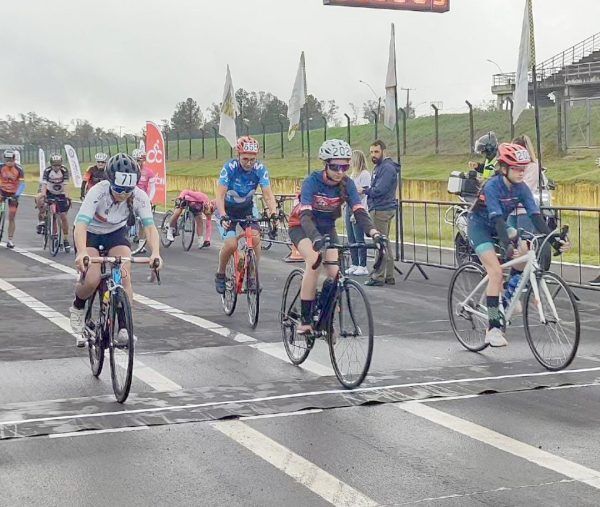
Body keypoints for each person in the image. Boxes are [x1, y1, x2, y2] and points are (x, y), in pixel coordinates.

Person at [467, 143, 569, 348]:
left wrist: (554, 238)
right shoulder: (492, 186)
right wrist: (506, 245)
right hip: (480, 227)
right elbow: (496, 220)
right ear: (504, 168)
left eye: (523, 168)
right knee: (495, 273)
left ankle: (508, 297)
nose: (522, 172)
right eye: (516, 168)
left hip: (501, 226)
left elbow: (536, 216)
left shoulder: (521, 188)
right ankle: (493, 327)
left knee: (525, 252)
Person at [288, 139, 383, 334]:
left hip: (327, 227)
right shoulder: (312, 181)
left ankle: (324, 313)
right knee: (314, 261)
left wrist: (374, 234)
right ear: (326, 164)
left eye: (345, 166)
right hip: (302, 226)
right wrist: (315, 238)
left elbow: (359, 212)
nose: (340, 171)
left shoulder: (347, 184)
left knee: (334, 274)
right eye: (335, 166)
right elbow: (305, 216)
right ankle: (305, 319)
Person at [69, 153, 162, 347]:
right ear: (109, 181)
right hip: (90, 234)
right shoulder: (97, 191)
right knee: (93, 278)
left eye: (128, 190)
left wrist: (155, 253)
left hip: (115, 233)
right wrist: (81, 252)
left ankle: (124, 327)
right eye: (119, 189)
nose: (123, 194)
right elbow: (81, 225)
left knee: (124, 276)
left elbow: (150, 228)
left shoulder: (139, 196)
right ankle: (78, 305)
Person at [214, 136, 277, 294]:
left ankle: (252, 276)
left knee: (255, 239)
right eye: (245, 159)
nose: (249, 163)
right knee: (231, 245)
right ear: (239, 156)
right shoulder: (230, 167)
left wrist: (274, 214)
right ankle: (221, 274)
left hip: (247, 208)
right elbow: (219, 196)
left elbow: (268, 195)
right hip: (227, 209)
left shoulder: (260, 170)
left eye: (252, 159)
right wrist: (222, 215)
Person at [363, 140, 399, 286]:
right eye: (371, 152)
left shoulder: (386, 168)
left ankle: (378, 276)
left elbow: (380, 190)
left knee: (379, 243)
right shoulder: (381, 167)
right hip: (383, 207)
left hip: (381, 209)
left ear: (384, 151)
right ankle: (389, 275)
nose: (373, 155)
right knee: (384, 242)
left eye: (376, 152)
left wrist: (366, 190)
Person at [36, 154, 72, 252]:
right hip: (49, 191)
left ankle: (65, 239)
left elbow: (66, 185)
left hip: (60, 193)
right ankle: (42, 220)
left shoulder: (64, 171)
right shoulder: (47, 171)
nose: (56, 167)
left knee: (63, 216)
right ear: (51, 165)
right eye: (54, 165)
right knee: (39, 198)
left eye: (58, 165)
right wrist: (44, 196)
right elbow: (43, 185)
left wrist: (67, 196)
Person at [344, 149, 371, 276]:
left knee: (359, 237)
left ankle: (363, 265)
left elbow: (363, 193)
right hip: (349, 206)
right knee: (351, 237)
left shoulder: (365, 174)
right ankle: (354, 263)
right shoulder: (353, 175)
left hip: (358, 207)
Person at [0, 149, 25, 249]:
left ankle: (10, 240)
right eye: (7, 159)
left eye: (11, 159)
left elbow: (22, 184)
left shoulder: (19, 169)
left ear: (14, 159)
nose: (9, 161)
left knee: (11, 216)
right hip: (1, 191)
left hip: (13, 193)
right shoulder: (1, 167)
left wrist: (17, 194)